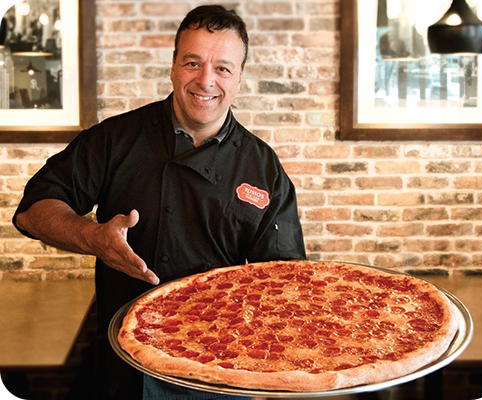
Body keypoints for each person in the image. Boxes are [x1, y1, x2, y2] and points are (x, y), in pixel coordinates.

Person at [13, 5, 306, 400]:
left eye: (222, 68)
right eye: (192, 62)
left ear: (239, 79)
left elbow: (286, 284)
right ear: (172, 66)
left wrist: (269, 373)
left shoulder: (263, 166)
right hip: (127, 368)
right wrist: (92, 236)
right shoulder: (116, 139)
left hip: (221, 374)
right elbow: (33, 210)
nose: (206, 80)